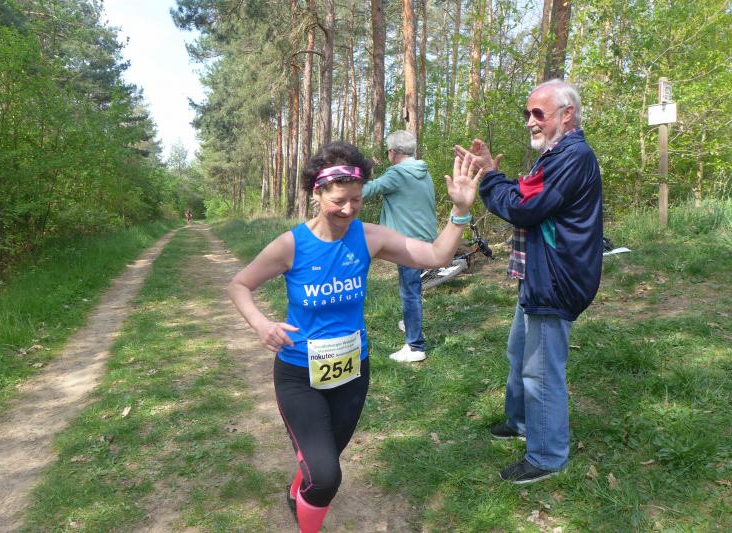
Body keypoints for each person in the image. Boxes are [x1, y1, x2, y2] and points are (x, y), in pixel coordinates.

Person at [228, 142, 482, 532]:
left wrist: (460, 210)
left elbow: (436, 256)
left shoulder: (369, 237)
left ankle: (299, 490)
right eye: (339, 200)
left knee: (323, 461)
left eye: (357, 200)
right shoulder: (291, 245)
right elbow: (240, 285)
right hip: (300, 375)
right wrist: (262, 325)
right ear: (316, 193)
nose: (348, 209)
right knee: (327, 477)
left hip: (351, 372)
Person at [455, 79, 603, 484]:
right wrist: (494, 173)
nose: (530, 121)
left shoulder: (573, 156)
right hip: (538, 274)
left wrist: (489, 178)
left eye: (538, 113)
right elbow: (525, 192)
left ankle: (548, 455)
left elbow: (524, 206)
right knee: (519, 352)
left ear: (566, 115)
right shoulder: (554, 155)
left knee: (541, 371)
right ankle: (521, 421)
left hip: (556, 279)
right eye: (528, 113)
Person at [361, 130, 437, 363]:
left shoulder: (397, 173)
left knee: (409, 292)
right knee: (413, 288)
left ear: (393, 152)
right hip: (425, 238)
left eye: (388, 151)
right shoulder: (423, 171)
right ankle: (411, 322)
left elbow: (366, 191)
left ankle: (415, 346)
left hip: (408, 242)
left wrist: (339, 188)